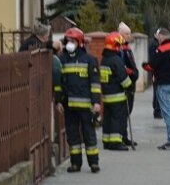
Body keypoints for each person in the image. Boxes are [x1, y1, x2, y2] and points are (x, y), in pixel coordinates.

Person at [55, 27, 102, 173]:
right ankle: (75, 164)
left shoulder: (89, 60)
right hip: (69, 106)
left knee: (89, 134)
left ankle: (93, 163)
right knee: (72, 135)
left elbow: (95, 83)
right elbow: (59, 84)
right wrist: (58, 101)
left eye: (72, 41)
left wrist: (96, 102)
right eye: (68, 41)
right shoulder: (62, 59)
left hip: (86, 106)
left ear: (80, 43)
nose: (69, 43)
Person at [143, 27, 170, 150]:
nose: (157, 39)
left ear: (161, 37)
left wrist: (144, 65)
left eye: (158, 37)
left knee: (167, 114)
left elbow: (151, 66)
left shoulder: (160, 50)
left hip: (164, 85)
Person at [99, 32, 132, 151]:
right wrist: (129, 86)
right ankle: (115, 143)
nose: (121, 48)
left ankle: (107, 141)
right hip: (117, 96)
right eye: (120, 45)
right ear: (115, 45)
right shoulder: (116, 60)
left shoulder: (104, 60)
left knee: (107, 118)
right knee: (117, 118)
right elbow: (124, 80)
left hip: (107, 96)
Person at [118, 22, 140, 121]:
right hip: (126, 85)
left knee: (128, 111)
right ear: (120, 34)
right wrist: (132, 72)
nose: (129, 36)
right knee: (124, 112)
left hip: (131, 84)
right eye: (127, 34)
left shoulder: (127, 48)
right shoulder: (120, 49)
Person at [148, 34, 162, 118]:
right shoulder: (154, 45)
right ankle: (157, 110)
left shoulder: (155, 44)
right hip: (155, 71)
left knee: (156, 90)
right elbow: (154, 59)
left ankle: (157, 109)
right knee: (157, 90)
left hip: (155, 71)